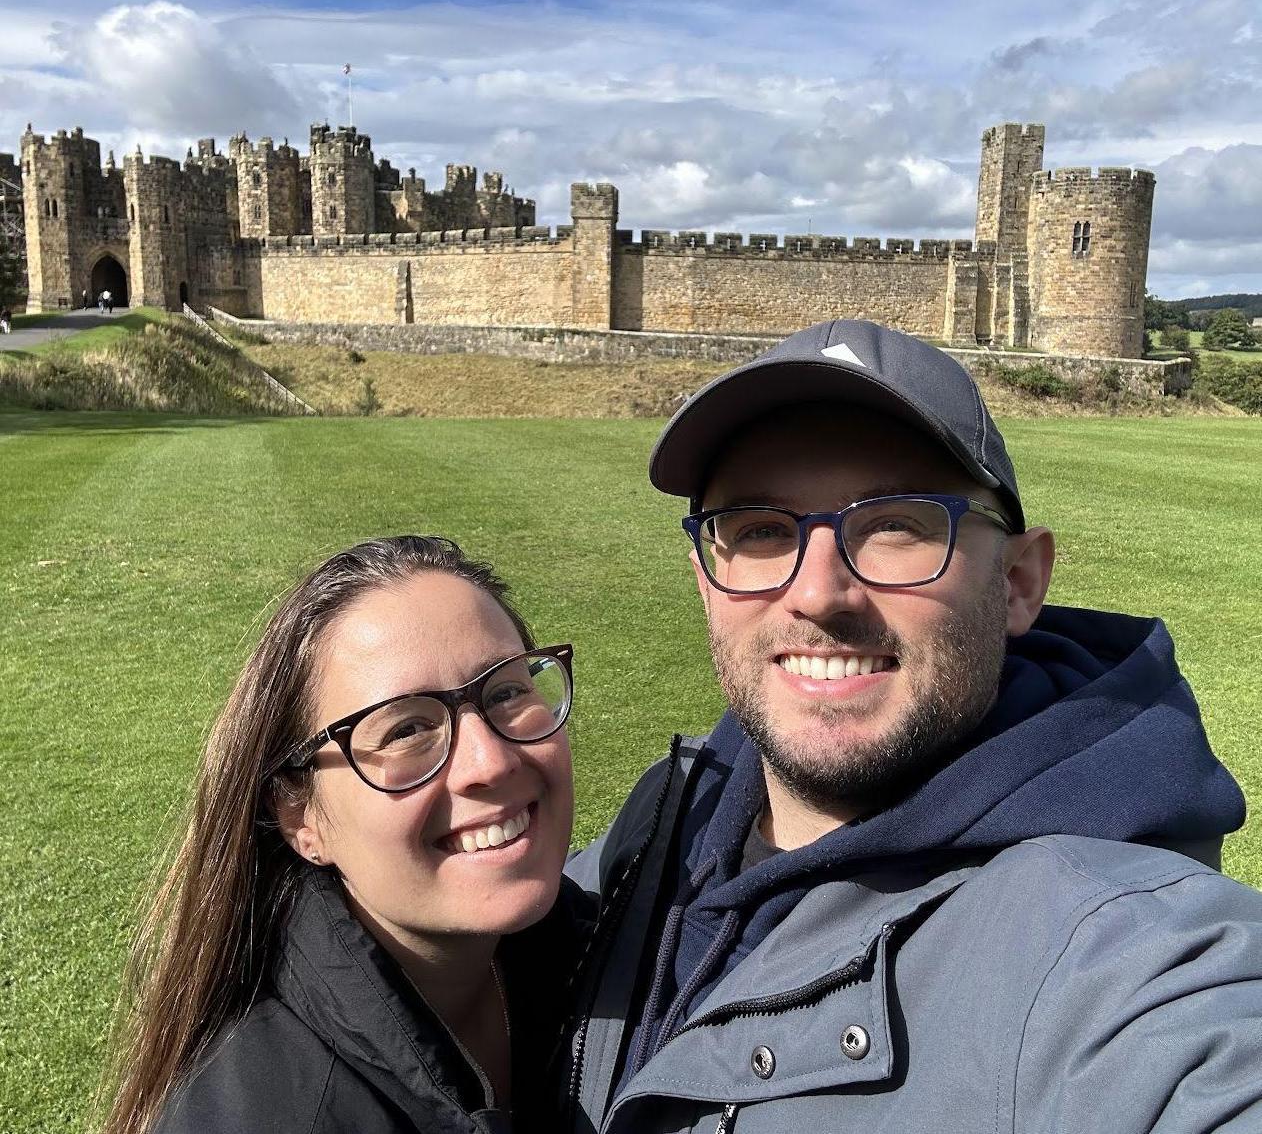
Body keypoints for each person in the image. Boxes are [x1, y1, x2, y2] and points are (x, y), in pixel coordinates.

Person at [565, 320, 1262, 1133]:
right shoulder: (674, 808)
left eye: (896, 524)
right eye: (759, 528)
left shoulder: (1121, 953)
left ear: (1017, 581)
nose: (820, 594)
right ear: (706, 577)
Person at [100, 535, 585, 1134]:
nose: (490, 762)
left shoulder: (598, 944)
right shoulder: (271, 1116)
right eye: (406, 729)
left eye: (508, 690)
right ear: (301, 817)